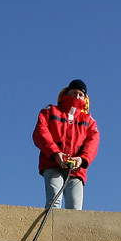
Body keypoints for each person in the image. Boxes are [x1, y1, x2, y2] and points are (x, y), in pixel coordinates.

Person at [33, 79, 99, 209]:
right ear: (66, 93)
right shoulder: (50, 111)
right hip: (52, 163)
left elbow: (93, 141)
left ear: (85, 98)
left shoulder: (89, 120)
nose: (77, 96)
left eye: (80, 94)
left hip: (76, 169)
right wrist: (55, 153)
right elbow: (41, 132)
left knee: (75, 207)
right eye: (74, 93)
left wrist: (82, 159)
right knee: (54, 202)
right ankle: (49, 223)